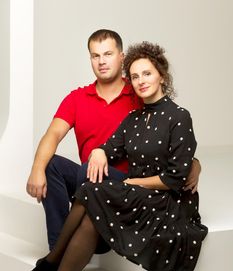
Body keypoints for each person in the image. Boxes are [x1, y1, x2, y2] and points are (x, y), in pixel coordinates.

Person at [3, 41, 207, 271]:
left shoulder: (178, 115)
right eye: (136, 77)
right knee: (89, 186)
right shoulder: (135, 117)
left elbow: (175, 177)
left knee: (91, 190)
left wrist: (136, 180)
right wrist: (99, 151)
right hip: (131, 192)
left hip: (163, 200)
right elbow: (109, 146)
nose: (141, 81)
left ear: (161, 75)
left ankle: (49, 268)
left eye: (147, 74)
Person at [26, 29, 201, 250]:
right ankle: (58, 248)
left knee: (89, 169)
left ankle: (85, 239)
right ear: (90, 59)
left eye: (107, 54)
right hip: (87, 179)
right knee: (51, 165)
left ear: (122, 57)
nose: (101, 61)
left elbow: (170, 131)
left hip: (128, 185)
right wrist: (36, 168)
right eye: (95, 55)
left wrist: (194, 163)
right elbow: (53, 134)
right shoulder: (77, 98)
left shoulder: (139, 91)